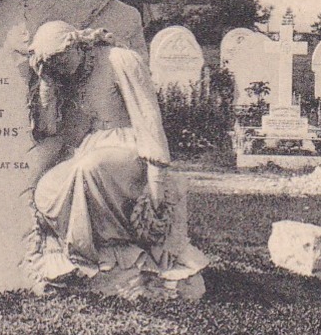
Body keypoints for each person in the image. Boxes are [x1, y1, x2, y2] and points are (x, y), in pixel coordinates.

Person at [26, 20, 206, 287]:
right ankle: (81, 257)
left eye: (63, 62)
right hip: (90, 149)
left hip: (130, 147)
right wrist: (47, 85)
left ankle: (97, 258)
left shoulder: (121, 60)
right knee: (46, 188)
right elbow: (55, 129)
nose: (63, 70)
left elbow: (148, 119)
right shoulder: (70, 76)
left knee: (88, 168)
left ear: (77, 45)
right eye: (56, 67)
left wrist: (157, 177)